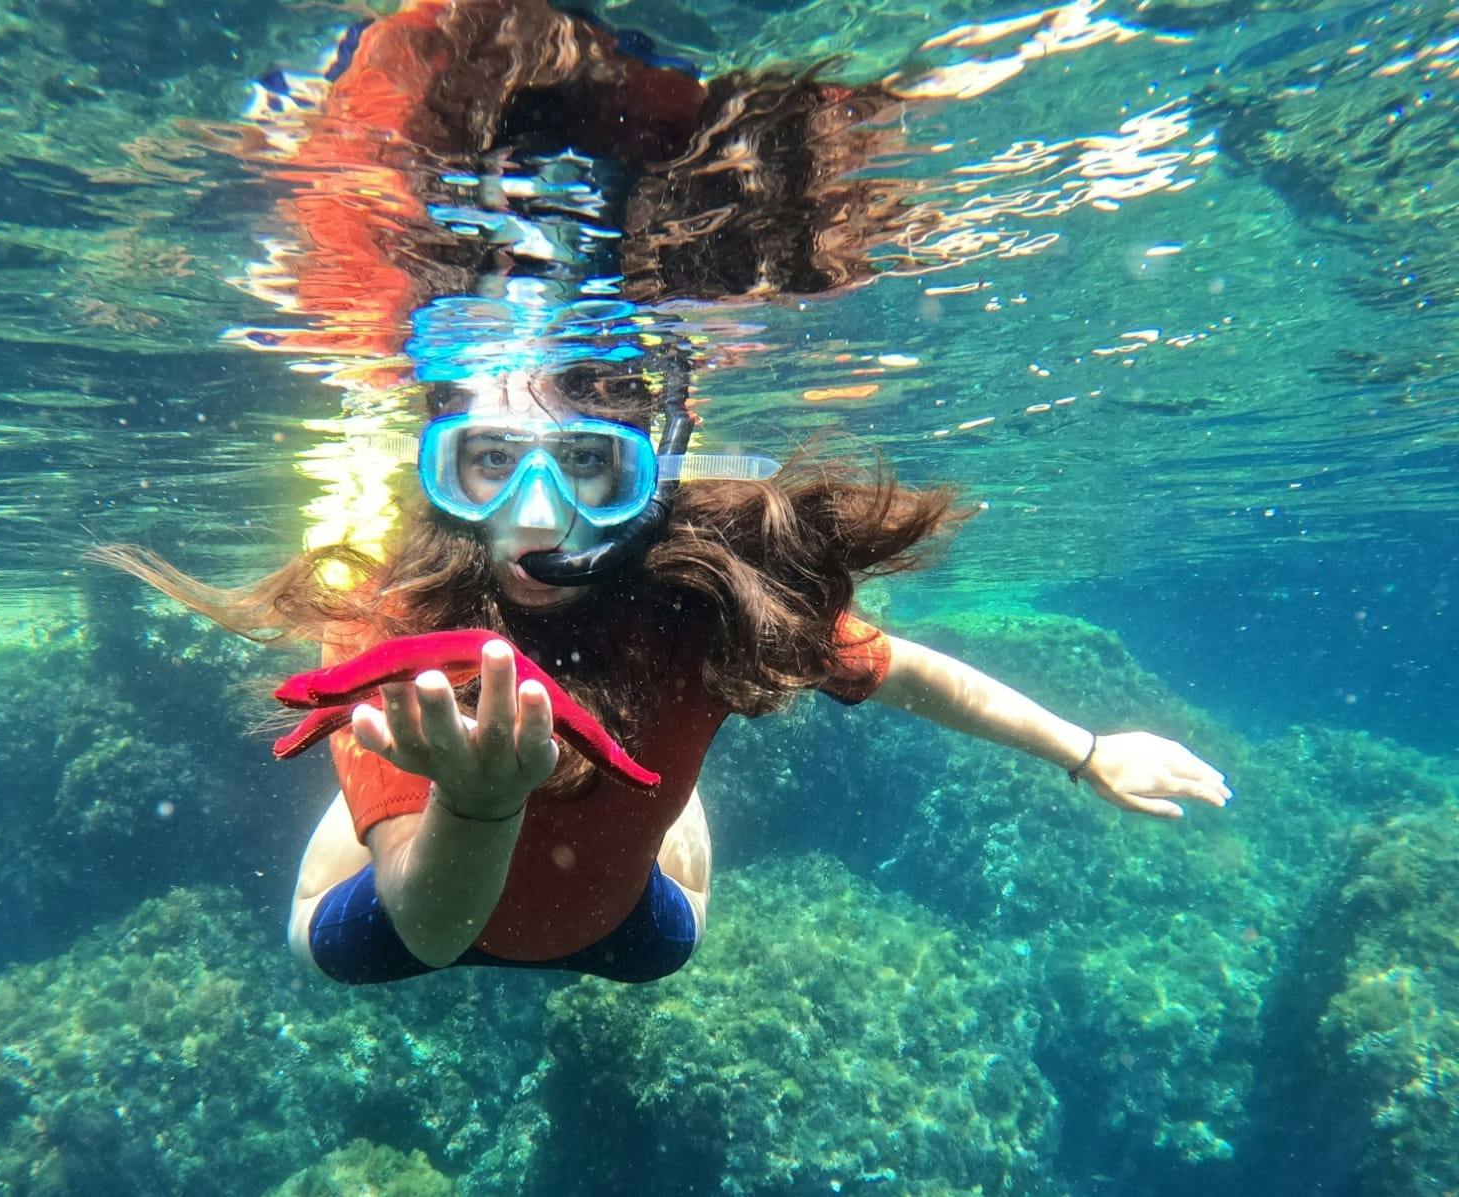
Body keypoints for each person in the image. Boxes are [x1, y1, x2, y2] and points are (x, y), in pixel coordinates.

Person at [98, 0, 1228, 987]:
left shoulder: (716, 595)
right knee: (317, 945)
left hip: (624, 920)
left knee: (669, 941)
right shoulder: (406, 646)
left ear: (664, 458)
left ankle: (646, 807)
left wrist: (1086, 751)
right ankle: (383, 820)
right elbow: (435, 939)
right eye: (489, 465)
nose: (536, 516)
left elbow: (904, 676)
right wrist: (477, 804)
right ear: (437, 469)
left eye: (592, 465)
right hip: (426, 903)